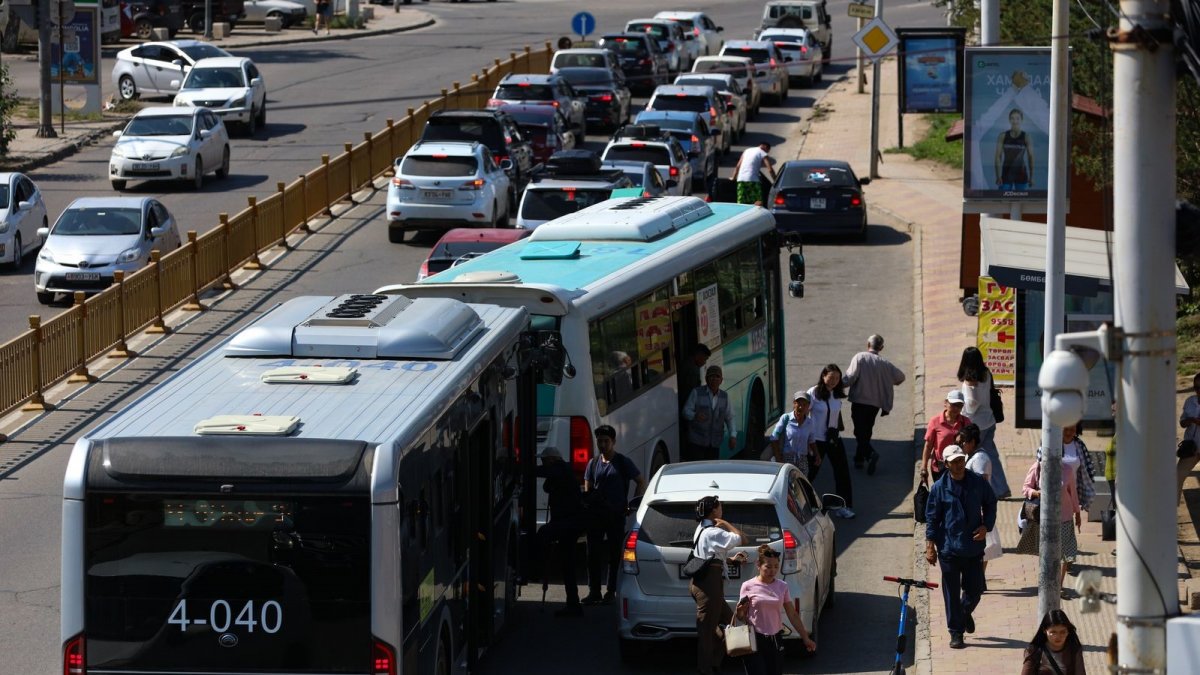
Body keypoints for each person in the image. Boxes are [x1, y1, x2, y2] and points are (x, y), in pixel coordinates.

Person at [925, 445, 997, 649]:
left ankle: (964, 613)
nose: (958, 465)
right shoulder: (939, 488)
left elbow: (991, 503)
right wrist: (930, 546)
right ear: (946, 464)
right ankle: (955, 632)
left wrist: (986, 526)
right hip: (948, 548)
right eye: (953, 462)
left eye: (960, 460)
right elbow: (932, 518)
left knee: (975, 589)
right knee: (951, 591)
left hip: (973, 547)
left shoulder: (977, 482)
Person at [1016, 424, 1096, 590]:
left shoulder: (1067, 470)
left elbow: (1073, 494)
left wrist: (1078, 513)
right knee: (1047, 554)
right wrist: (1037, 494)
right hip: (1044, 518)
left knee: (1067, 555)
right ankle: (1047, 584)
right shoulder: (1037, 467)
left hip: (1065, 517)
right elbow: (1026, 488)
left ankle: (1058, 586)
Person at [582, 425, 647, 605]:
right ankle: (594, 591)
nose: (602, 444)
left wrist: (631, 505)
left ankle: (611, 591)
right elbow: (587, 483)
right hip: (596, 516)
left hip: (615, 516)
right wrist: (588, 502)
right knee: (592, 554)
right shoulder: (593, 463)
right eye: (600, 441)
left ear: (613, 442)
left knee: (614, 554)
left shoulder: (622, 462)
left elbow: (640, 481)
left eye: (606, 441)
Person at [734, 544, 816, 675]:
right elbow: (741, 617)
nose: (773, 570)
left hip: (775, 639)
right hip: (754, 638)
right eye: (768, 567)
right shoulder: (748, 586)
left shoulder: (782, 586)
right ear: (758, 565)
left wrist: (805, 638)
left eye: (776, 567)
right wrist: (740, 611)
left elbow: (792, 614)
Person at [690, 495, 748, 675]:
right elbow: (743, 538)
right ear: (714, 510)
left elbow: (709, 554)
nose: (722, 508)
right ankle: (706, 669)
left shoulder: (701, 528)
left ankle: (714, 663)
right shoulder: (715, 532)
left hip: (702, 584)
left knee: (731, 626)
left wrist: (730, 560)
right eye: (720, 506)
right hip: (709, 587)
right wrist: (725, 523)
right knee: (706, 632)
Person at [844, 334, 906, 475]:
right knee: (866, 431)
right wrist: (888, 380)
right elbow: (900, 377)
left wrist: (837, 386)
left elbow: (850, 377)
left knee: (859, 432)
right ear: (881, 348)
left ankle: (870, 454)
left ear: (868, 344)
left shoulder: (860, 357)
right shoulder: (885, 364)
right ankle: (859, 459)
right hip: (875, 405)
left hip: (859, 402)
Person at [534, 446, 586, 617]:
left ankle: (535, 566)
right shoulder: (564, 470)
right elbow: (549, 486)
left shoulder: (561, 467)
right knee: (567, 564)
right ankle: (573, 603)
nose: (543, 464)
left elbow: (550, 474)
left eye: (544, 461)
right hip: (569, 523)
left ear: (551, 459)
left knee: (542, 535)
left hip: (567, 523)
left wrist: (526, 468)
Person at [957, 346, 1010, 498]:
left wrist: (963, 409)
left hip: (975, 426)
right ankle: (1001, 489)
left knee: (972, 457)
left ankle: (976, 490)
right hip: (989, 421)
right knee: (992, 455)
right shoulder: (986, 374)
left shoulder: (969, 382)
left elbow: (972, 406)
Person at [807, 364, 854, 518]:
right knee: (809, 474)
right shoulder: (813, 393)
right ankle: (802, 506)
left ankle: (843, 506)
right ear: (823, 376)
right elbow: (803, 413)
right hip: (817, 440)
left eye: (837, 378)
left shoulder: (836, 394)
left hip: (833, 439)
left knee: (842, 473)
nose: (834, 381)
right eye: (831, 377)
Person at [959, 428, 1003, 571]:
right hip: (970, 508)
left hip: (979, 509)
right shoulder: (969, 456)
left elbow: (979, 487)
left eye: (963, 443)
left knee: (983, 547)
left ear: (971, 442)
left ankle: (979, 578)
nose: (961, 446)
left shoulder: (980, 459)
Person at [683, 365, 738, 462]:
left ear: (721, 380)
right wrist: (695, 415)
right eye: (711, 377)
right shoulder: (696, 393)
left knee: (711, 471)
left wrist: (733, 436)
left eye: (717, 377)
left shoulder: (724, 397)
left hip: (714, 443)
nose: (714, 379)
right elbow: (686, 411)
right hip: (697, 442)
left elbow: (730, 417)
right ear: (706, 379)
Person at [920, 390, 971, 484]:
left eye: (959, 405)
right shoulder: (935, 421)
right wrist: (924, 467)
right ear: (946, 403)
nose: (956, 408)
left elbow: (971, 444)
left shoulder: (966, 422)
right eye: (953, 404)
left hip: (959, 466)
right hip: (940, 468)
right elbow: (928, 446)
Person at [1020, 609, 1087, 675]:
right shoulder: (1034, 650)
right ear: (1044, 631)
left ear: (1068, 632)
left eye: (1062, 632)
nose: (1058, 636)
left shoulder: (1074, 649)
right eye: (1053, 632)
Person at [770, 391, 818, 476]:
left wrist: (817, 455)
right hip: (786, 459)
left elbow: (811, 440)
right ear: (794, 403)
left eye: (804, 405)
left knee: (801, 487)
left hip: (802, 460)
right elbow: (774, 437)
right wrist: (778, 457)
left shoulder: (809, 422)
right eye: (798, 403)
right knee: (787, 486)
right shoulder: (786, 418)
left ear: (808, 406)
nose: (801, 407)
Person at [994, 108, 1035, 191]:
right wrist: (998, 176)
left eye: (1017, 118)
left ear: (1021, 120)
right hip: (1006, 173)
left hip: (1021, 173)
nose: (1015, 121)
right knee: (1003, 201)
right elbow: (998, 157)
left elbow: (1031, 157)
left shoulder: (1026, 137)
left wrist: (1031, 177)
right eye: (1012, 118)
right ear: (1009, 120)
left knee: (1021, 202)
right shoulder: (1003, 136)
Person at [1176, 372, 1200, 502]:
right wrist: (1190, 420)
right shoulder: (1190, 401)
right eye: (1196, 387)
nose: (1198, 391)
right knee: (1177, 477)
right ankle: (1172, 510)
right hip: (1192, 448)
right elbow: (1182, 423)